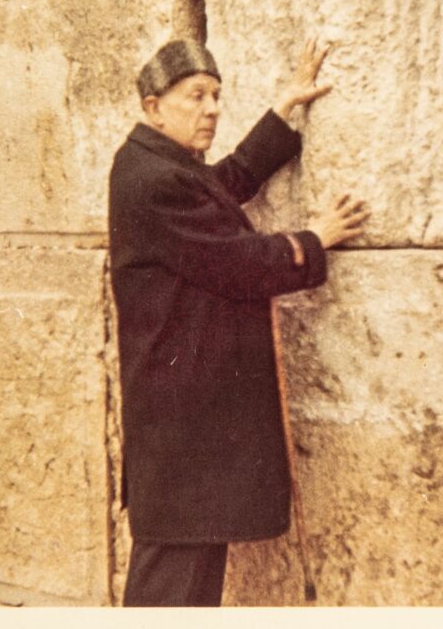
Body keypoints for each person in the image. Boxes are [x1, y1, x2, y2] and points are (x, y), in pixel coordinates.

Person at [107, 37, 368, 606]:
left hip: (188, 412)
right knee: (170, 581)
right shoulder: (152, 179)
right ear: (153, 106)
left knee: (192, 570)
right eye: (195, 96)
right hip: (181, 417)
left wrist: (282, 112)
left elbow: (221, 189)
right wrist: (311, 241)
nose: (212, 109)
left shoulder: (160, 164)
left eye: (217, 95)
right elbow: (234, 261)